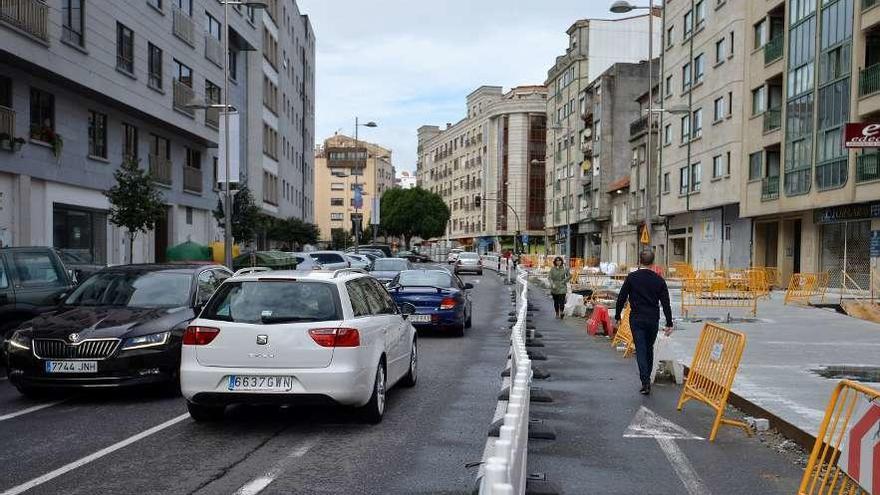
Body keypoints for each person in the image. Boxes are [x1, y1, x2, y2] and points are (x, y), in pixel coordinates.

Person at [614, 250, 673, 395]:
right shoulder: (659, 280)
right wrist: (669, 323)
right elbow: (666, 303)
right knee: (649, 348)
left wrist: (617, 316)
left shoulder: (632, 278)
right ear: (653, 263)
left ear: (639, 261)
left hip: (637, 318)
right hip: (653, 318)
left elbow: (621, 297)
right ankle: (647, 378)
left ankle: (645, 382)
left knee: (640, 348)